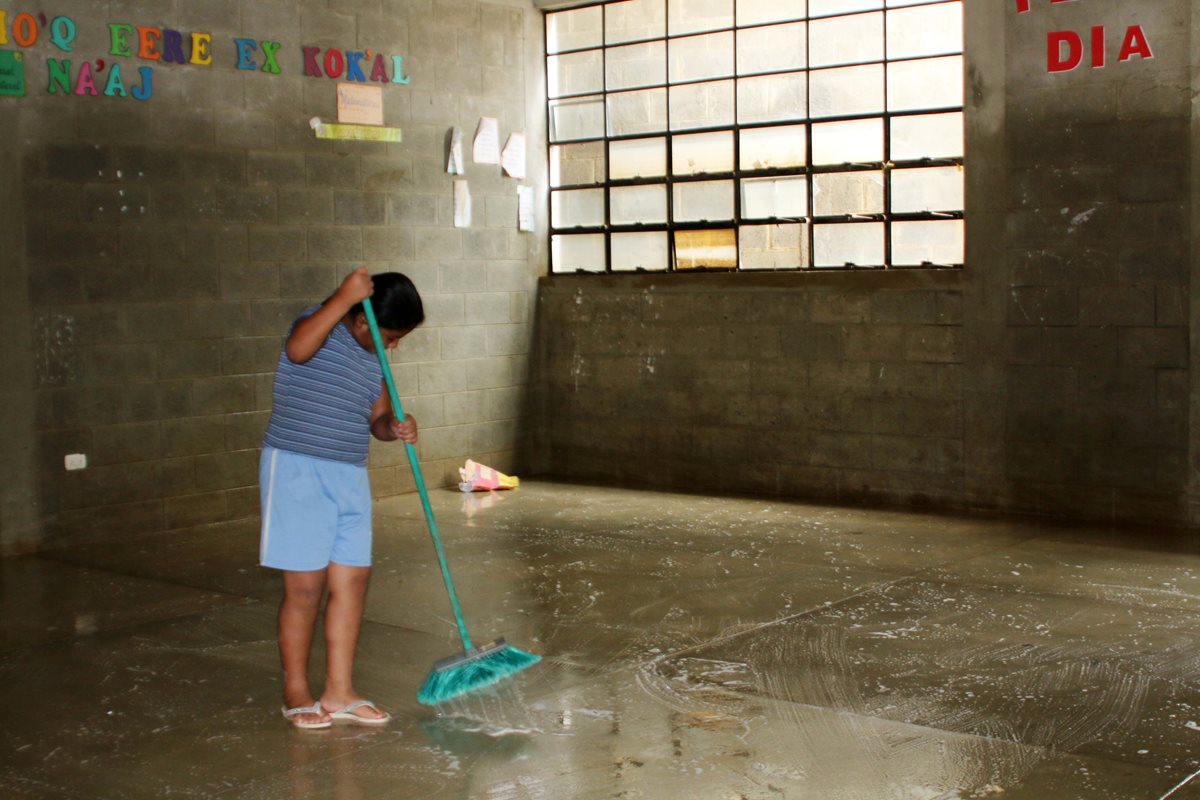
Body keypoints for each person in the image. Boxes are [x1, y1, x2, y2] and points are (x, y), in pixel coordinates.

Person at [260, 266, 424, 730]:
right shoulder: (319, 323)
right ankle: (296, 691)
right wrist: (343, 296)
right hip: (297, 468)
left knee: (351, 582)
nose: (392, 345)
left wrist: (395, 426)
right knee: (305, 588)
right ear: (360, 318)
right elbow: (297, 349)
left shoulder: (376, 359)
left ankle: (340, 691)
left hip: (349, 473)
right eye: (390, 335)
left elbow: (376, 419)